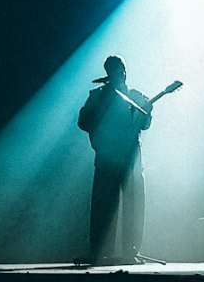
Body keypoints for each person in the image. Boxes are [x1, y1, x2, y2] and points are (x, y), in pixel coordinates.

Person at [78, 55, 153, 264]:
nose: (122, 74)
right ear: (108, 73)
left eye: (123, 70)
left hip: (131, 160)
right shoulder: (98, 96)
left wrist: (147, 112)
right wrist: (99, 115)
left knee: (134, 205)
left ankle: (131, 251)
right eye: (116, 71)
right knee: (102, 206)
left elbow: (145, 124)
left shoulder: (136, 96)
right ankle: (100, 251)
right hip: (106, 158)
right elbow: (82, 121)